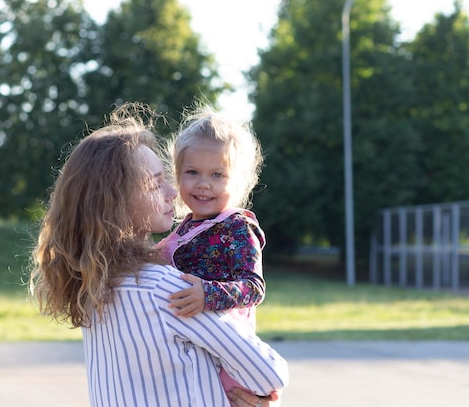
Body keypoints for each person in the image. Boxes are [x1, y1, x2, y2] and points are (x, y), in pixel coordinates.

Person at [29, 103, 288, 407]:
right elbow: (270, 374)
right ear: (118, 202)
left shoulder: (95, 284)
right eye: (156, 183)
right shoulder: (163, 288)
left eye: (217, 174)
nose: (173, 193)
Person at [155, 105, 267, 395]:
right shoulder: (183, 229)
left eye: (218, 175)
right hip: (190, 347)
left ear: (238, 181)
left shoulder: (239, 228)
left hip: (228, 351)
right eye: (192, 172)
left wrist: (209, 294)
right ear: (177, 176)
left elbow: (254, 288)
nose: (203, 184)